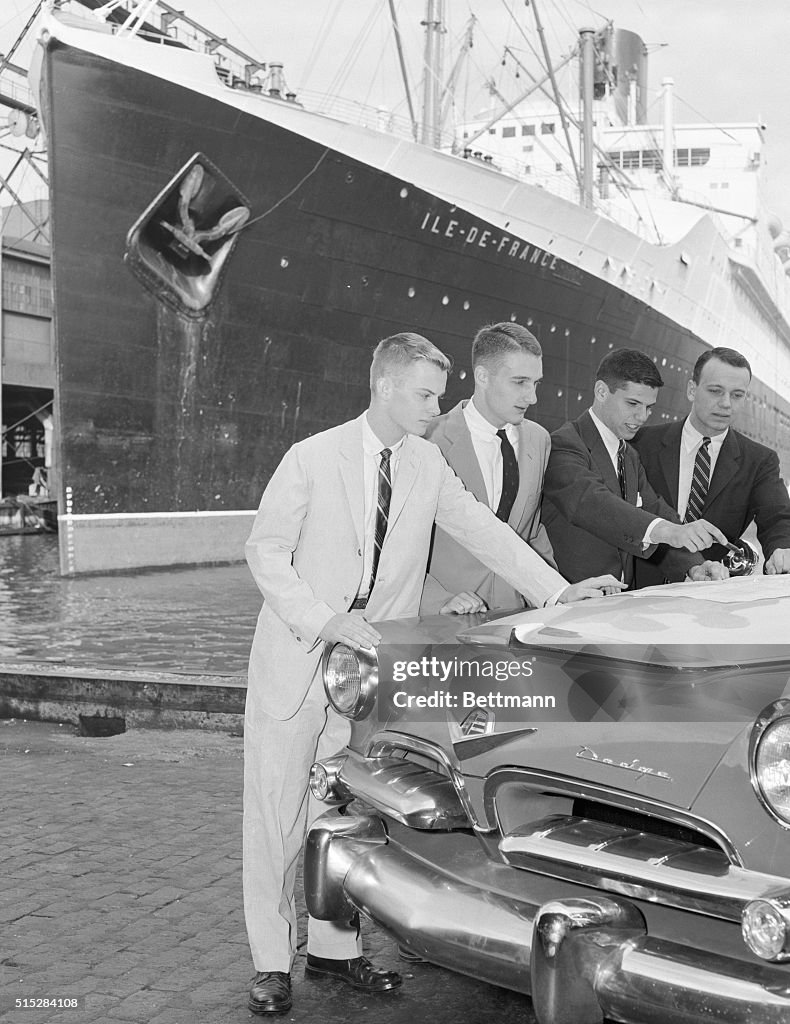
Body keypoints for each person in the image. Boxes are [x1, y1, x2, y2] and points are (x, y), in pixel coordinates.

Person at [243, 332, 624, 1015]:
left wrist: (558, 593)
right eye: (422, 394)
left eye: (437, 395)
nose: (433, 407)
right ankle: (272, 962)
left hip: (368, 669)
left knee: (347, 810)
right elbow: (266, 553)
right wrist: (325, 618)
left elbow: (484, 531)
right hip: (299, 657)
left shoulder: (425, 464)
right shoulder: (311, 457)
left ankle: (335, 953)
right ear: (382, 385)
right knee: (277, 814)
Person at [541, 348, 729, 587]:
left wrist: (695, 565)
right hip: (569, 600)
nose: (642, 416)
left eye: (649, 407)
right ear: (601, 391)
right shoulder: (563, 444)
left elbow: (654, 511)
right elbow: (590, 502)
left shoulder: (629, 456)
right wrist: (671, 532)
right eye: (633, 403)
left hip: (617, 603)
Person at [420, 321, 556, 615]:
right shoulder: (427, 439)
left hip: (518, 617)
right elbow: (398, 543)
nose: (531, 397)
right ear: (482, 376)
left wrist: (556, 597)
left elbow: (532, 531)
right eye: (520, 382)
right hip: (445, 621)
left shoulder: (539, 440)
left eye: (536, 384)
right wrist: (435, 600)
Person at [633, 346, 790, 585]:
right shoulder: (641, 444)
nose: (726, 403)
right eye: (715, 391)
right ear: (692, 390)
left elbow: (777, 518)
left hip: (711, 591)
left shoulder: (759, 460)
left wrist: (782, 548)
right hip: (637, 589)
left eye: (737, 395)